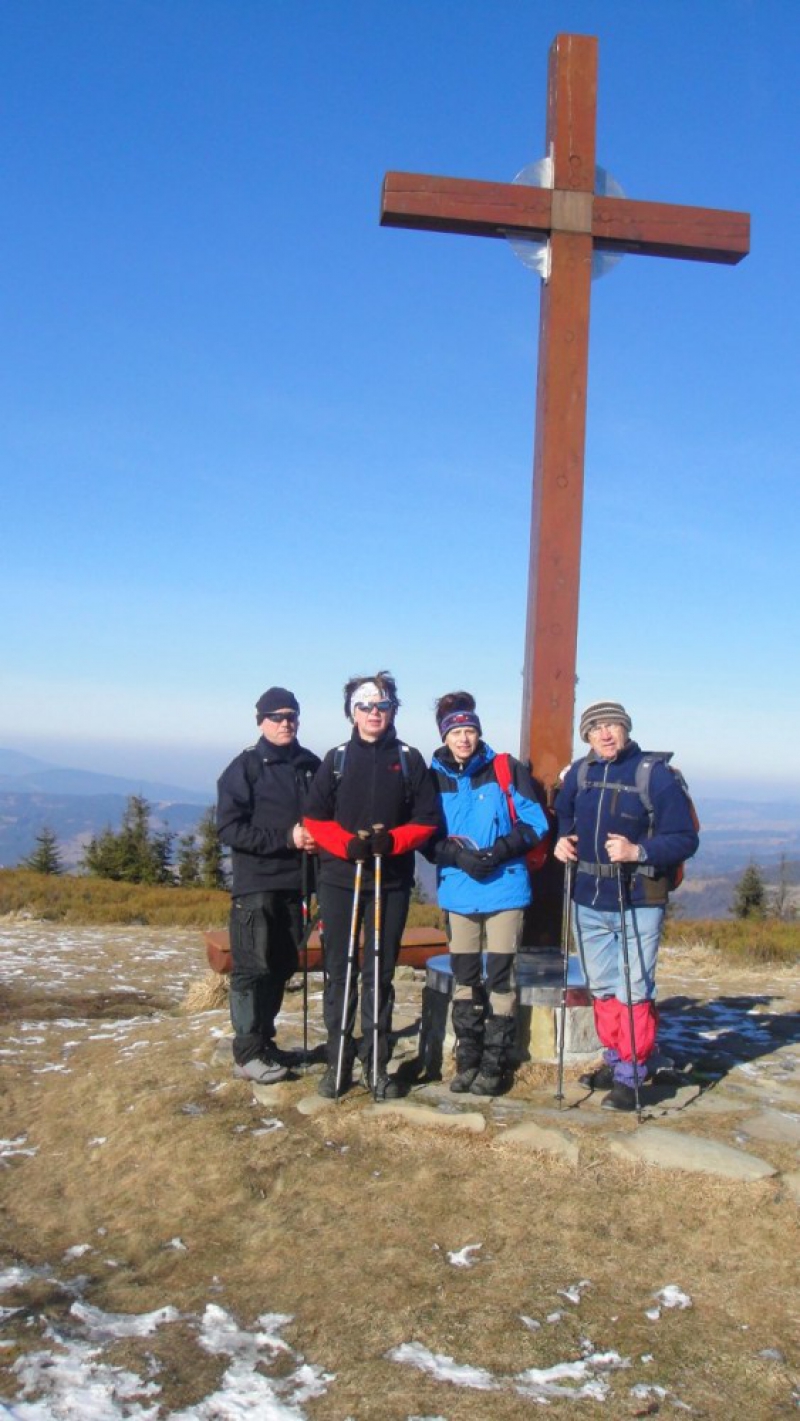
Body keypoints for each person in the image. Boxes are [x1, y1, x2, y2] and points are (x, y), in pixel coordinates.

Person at [554, 700, 699, 1111]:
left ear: (626, 729)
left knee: (634, 987)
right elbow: (563, 818)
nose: (605, 733)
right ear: (586, 735)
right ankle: (615, 1058)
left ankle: (632, 1073)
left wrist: (639, 850)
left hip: (639, 898)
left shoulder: (654, 777)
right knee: (602, 988)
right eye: (596, 727)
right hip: (588, 896)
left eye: (612, 725)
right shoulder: (579, 776)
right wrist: (561, 841)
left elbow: (685, 839)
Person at [303, 671, 439, 1099]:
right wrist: (346, 845)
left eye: (381, 706)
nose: (373, 713)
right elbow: (313, 818)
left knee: (379, 970)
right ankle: (338, 1062)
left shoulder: (409, 758)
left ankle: (376, 1064)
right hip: (341, 879)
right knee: (340, 970)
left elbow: (427, 819)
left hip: (390, 878)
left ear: (392, 709)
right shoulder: (337, 758)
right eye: (365, 706)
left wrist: (394, 841)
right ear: (352, 712)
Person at [429, 692, 549, 1096]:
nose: (464, 738)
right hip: (459, 891)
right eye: (457, 731)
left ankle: (494, 1066)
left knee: (500, 977)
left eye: (470, 731)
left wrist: (499, 851)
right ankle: (467, 1062)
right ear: (445, 736)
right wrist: (456, 857)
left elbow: (536, 823)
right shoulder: (432, 777)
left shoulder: (504, 769)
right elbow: (426, 836)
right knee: (465, 978)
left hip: (505, 887)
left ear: (479, 734)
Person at [216, 687, 320, 1084]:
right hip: (255, 886)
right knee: (252, 969)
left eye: (291, 715)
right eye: (276, 716)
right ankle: (246, 1053)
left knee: (280, 967)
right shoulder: (245, 768)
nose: (285, 722)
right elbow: (229, 828)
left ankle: (264, 1043)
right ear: (260, 721)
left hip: (298, 886)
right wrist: (286, 838)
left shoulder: (310, 765)